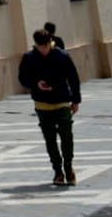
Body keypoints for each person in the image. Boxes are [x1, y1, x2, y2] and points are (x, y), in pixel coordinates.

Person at [18, 29, 82, 186]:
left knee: (67, 136)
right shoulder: (29, 58)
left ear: (50, 42)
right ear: (36, 45)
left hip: (62, 102)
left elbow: (73, 78)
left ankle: (69, 168)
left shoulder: (62, 56)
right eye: (40, 47)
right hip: (42, 104)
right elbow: (23, 78)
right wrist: (36, 84)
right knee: (50, 139)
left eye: (46, 46)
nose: (44, 49)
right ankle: (58, 172)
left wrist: (76, 100)